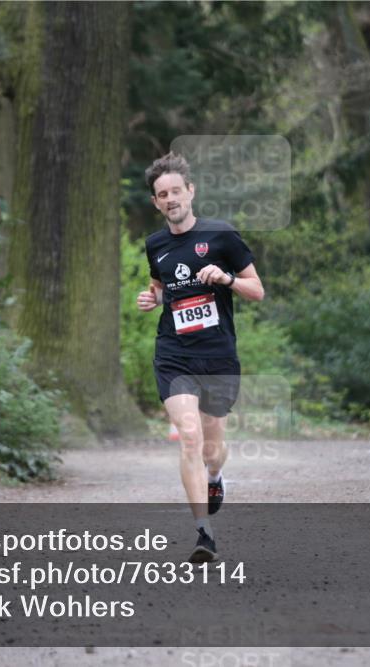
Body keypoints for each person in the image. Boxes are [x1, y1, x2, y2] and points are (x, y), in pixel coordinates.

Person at [136, 152, 265, 563]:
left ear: (190, 192)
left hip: (217, 354)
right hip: (174, 353)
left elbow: (256, 289)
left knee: (212, 447)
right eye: (162, 194)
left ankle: (215, 476)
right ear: (156, 203)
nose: (170, 198)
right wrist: (151, 298)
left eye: (176, 190)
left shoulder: (223, 236)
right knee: (188, 436)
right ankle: (203, 532)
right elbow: (160, 287)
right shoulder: (155, 244)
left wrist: (226, 278)